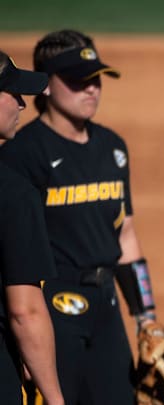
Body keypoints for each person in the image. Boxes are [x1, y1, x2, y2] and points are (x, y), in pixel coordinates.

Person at [0, 30, 164, 405]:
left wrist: (146, 317)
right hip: (53, 313)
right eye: (77, 81)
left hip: (106, 309)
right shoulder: (20, 155)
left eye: (96, 79)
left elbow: (126, 237)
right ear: (46, 85)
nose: (91, 89)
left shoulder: (113, 148)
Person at [0, 51, 64, 405]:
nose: (24, 105)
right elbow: (25, 311)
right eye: (13, 93)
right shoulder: (14, 193)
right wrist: (54, 398)